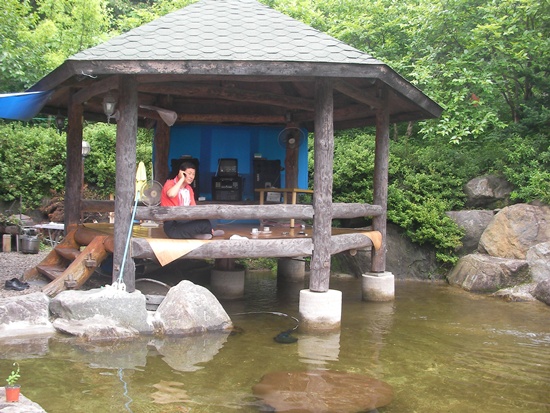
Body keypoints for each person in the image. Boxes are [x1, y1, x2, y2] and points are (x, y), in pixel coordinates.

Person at [161, 162, 224, 240]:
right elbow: (171, 194)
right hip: (173, 226)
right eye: (189, 173)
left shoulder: (189, 189)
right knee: (204, 224)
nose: (191, 177)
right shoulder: (170, 183)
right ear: (181, 173)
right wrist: (181, 179)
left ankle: (201, 233)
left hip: (185, 220)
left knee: (212, 219)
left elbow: (193, 209)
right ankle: (206, 233)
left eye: (193, 174)